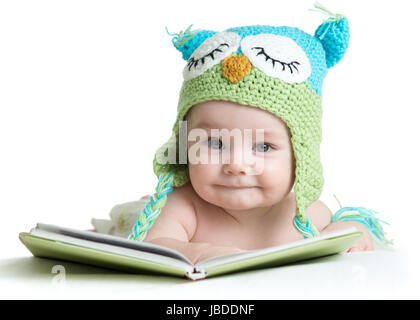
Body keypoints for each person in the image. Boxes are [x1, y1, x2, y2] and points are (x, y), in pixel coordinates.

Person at [119, 3, 391, 264]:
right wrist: (198, 253)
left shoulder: (308, 216)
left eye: (263, 147)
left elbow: (346, 237)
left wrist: (352, 231)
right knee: (136, 216)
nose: (236, 165)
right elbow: (155, 247)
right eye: (214, 143)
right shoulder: (182, 207)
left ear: (301, 155)